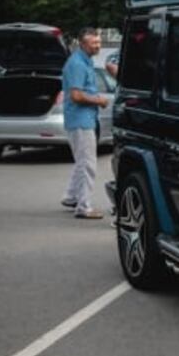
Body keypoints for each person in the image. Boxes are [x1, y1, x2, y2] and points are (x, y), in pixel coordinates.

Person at [61, 28, 109, 219]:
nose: (97, 46)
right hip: (80, 121)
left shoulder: (85, 61)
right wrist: (100, 101)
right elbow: (76, 95)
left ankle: (71, 197)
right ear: (82, 44)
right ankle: (84, 207)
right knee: (88, 164)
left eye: (98, 42)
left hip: (83, 119)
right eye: (93, 43)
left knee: (82, 161)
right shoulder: (78, 64)